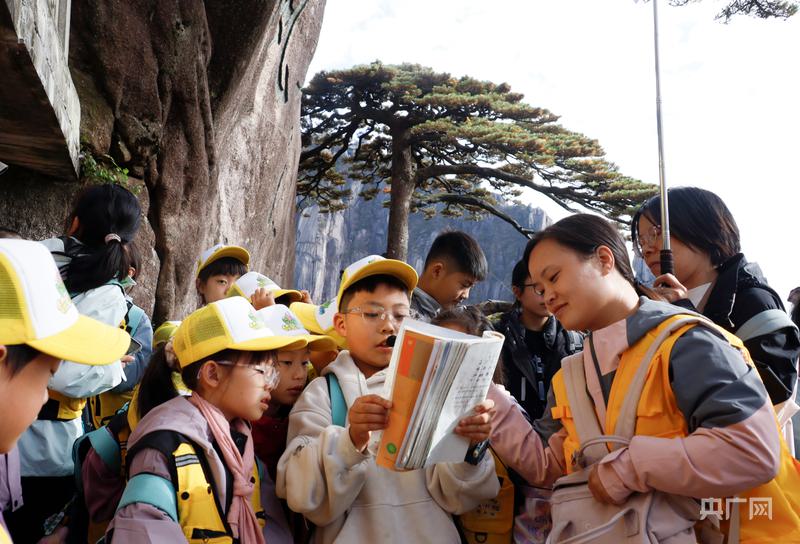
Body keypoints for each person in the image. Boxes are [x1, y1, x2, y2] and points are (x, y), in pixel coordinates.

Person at [488, 214, 800, 542]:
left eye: (554, 277)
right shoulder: (571, 375)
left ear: (604, 259)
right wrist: (489, 400)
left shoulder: (687, 343)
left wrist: (629, 467)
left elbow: (751, 451)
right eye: (539, 288)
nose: (548, 296)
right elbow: (552, 468)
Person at [276, 255, 499, 543]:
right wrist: (350, 440)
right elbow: (301, 494)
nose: (389, 326)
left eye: (400, 316)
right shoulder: (323, 394)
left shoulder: (432, 388)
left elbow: (459, 498)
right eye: (372, 314)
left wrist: (469, 446)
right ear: (341, 324)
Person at [106, 296, 317, 543]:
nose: (270, 384)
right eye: (261, 371)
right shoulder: (163, 449)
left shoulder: (241, 444)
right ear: (213, 374)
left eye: (272, 372)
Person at [7, 184, 141, 543]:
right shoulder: (108, 294)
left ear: (75, 222)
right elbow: (67, 374)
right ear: (127, 242)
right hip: (48, 449)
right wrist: (112, 366)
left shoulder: (30, 258)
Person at [633, 187, 800, 455]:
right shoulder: (658, 306)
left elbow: (769, 396)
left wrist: (687, 317)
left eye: (656, 233)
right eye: (641, 240)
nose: (647, 249)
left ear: (701, 226)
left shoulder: (753, 302)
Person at [249, 305, 336, 543]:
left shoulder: (307, 415)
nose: (299, 374)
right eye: (287, 362)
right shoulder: (239, 425)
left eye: (305, 363)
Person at [492, 259, 582, 420]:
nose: (548, 294)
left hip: (562, 432)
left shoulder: (573, 339)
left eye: (553, 284)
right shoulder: (497, 339)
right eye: (538, 288)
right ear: (517, 292)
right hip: (511, 431)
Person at [411, 231, 488, 321]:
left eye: (471, 287)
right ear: (437, 271)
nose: (466, 295)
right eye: (464, 285)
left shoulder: (440, 316)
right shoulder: (404, 313)